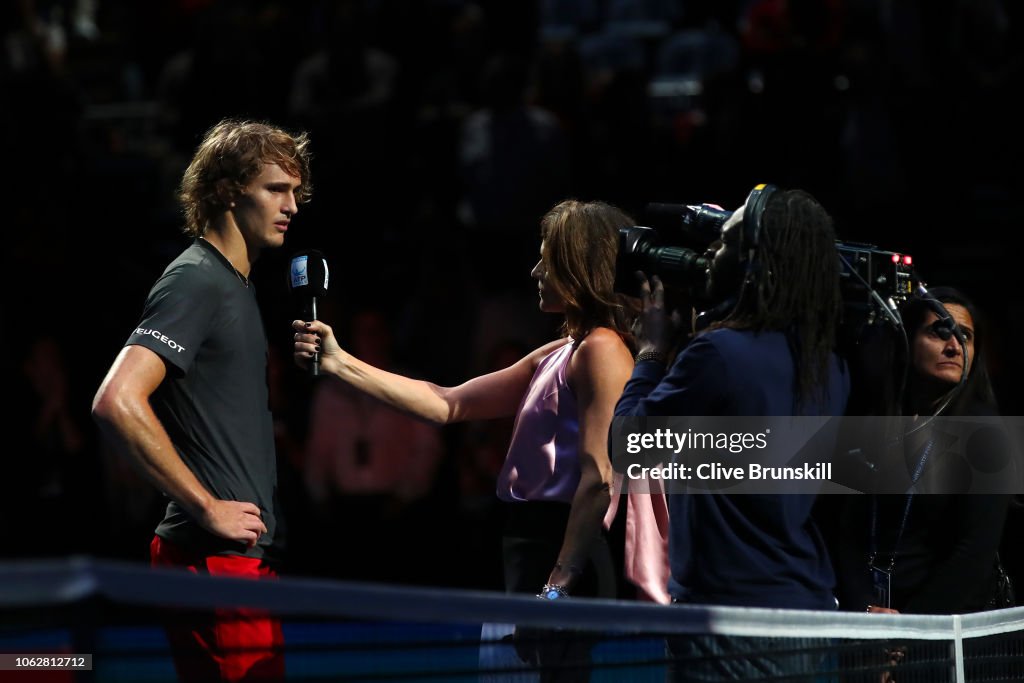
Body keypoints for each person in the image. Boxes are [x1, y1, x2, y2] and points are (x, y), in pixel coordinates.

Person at [293, 199, 636, 681]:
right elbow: (447, 403)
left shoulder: (602, 349)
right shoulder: (563, 350)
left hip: (560, 553)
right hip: (527, 547)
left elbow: (599, 478)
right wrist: (338, 361)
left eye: (548, 260)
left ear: (580, 267)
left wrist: (557, 586)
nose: (536, 270)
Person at [92, 119, 311, 683]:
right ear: (227, 191)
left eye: (295, 191)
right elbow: (117, 399)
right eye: (275, 189)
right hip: (215, 560)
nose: (292, 205)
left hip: (232, 558)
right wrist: (206, 506)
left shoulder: (235, 286)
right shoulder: (196, 280)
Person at [615, 185, 850, 681]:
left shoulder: (719, 355)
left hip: (732, 621)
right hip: (809, 609)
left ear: (753, 263)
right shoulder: (829, 365)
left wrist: (652, 353)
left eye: (723, 244)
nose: (709, 257)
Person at [834, 287, 1012, 616]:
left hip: (946, 631)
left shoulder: (986, 434)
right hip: (870, 623)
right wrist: (863, 611)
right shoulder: (872, 422)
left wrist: (910, 630)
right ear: (906, 341)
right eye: (939, 331)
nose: (954, 346)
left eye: (966, 336)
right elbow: (846, 533)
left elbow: (973, 553)